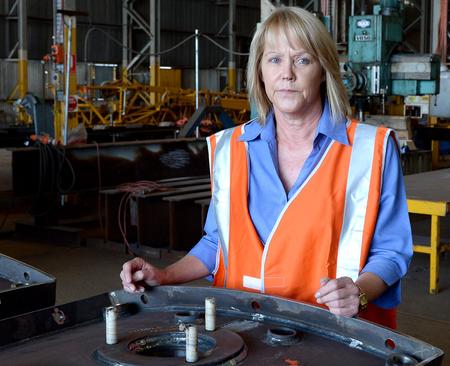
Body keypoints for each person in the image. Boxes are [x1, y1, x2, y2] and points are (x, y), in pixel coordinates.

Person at [120, 6, 412, 329]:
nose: (287, 73)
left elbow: (391, 252)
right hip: (243, 329)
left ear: (323, 70)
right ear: (260, 70)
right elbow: (218, 243)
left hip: (331, 334)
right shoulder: (231, 149)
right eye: (274, 59)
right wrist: (164, 275)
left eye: (302, 60)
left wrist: (357, 292)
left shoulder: (371, 150)